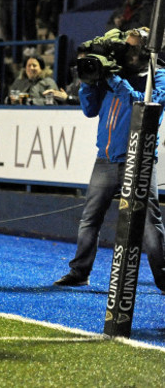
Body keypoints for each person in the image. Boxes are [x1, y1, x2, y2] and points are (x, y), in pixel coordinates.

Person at [54, 28, 165, 290]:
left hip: (139, 160)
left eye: (131, 47)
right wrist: (89, 82)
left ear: (147, 51)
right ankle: (80, 272)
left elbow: (147, 108)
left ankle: (163, 278)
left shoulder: (157, 76)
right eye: (124, 46)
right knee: (90, 218)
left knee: (149, 223)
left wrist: (115, 81)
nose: (124, 52)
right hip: (104, 159)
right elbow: (90, 110)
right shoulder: (111, 74)